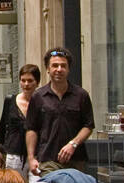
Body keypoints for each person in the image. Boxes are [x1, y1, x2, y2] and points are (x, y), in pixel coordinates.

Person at [25, 47, 95, 176]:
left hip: (76, 159)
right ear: (48, 69)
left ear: (68, 69)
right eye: (55, 65)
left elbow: (88, 126)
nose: (59, 69)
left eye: (63, 66)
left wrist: (73, 144)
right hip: (48, 159)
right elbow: (31, 129)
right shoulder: (38, 96)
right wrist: (31, 158)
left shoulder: (81, 95)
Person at [0, 65, 41, 177]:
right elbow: (3, 124)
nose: (26, 84)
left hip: (37, 154)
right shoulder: (10, 100)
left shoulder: (42, 102)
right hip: (14, 153)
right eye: (23, 80)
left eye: (30, 81)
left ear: (37, 82)